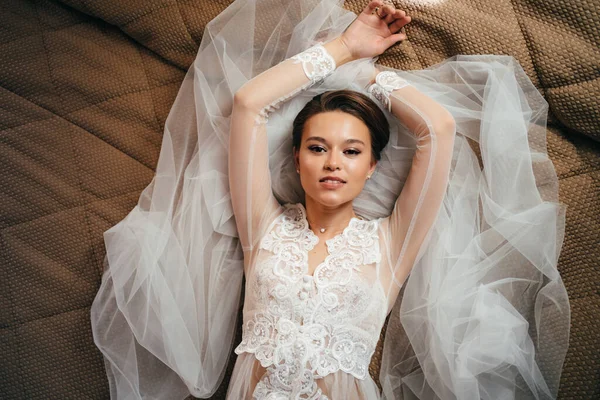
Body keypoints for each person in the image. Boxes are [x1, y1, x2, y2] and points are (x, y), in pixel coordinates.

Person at [90, 0, 570, 399]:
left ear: (372, 166)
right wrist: (343, 49)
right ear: (297, 160)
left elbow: (437, 130)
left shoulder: (389, 244)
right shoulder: (263, 226)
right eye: (317, 148)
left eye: (352, 151)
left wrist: (367, 78)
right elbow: (249, 105)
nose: (333, 162)